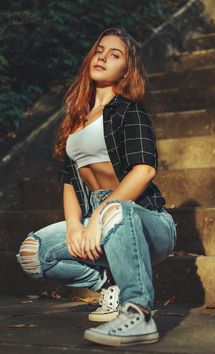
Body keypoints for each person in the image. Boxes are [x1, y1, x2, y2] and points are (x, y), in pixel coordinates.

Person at [17, 26, 177, 347]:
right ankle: (108, 281)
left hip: (140, 218)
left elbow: (144, 170)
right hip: (96, 216)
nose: (103, 57)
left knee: (117, 209)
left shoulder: (129, 110)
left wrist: (102, 213)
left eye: (114, 55)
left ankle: (137, 313)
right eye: (100, 50)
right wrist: (77, 225)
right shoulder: (75, 118)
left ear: (125, 69)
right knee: (33, 254)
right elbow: (69, 179)